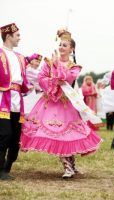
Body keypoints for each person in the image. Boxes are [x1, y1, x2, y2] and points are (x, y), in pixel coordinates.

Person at [20, 29, 101, 179]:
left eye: (65, 45)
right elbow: (41, 78)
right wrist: (51, 82)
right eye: (60, 44)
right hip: (49, 103)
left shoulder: (74, 67)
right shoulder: (48, 63)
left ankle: (72, 165)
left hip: (65, 104)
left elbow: (67, 79)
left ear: (71, 49)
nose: (61, 47)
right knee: (58, 135)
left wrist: (57, 65)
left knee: (69, 134)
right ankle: (67, 166)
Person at [0, 23, 30, 180]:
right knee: (4, 134)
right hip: (2, 100)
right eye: (17, 35)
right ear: (8, 36)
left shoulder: (20, 57)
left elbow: (27, 77)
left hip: (18, 100)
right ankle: (0, 169)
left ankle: (7, 167)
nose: (19, 37)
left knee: (15, 136)